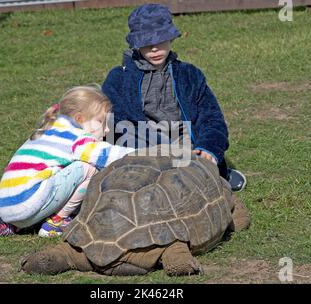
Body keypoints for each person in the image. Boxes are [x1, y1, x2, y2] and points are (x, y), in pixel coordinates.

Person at [102, 3, 246, 192]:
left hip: (181, 139)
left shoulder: (190, 75)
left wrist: (209, 147)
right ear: (135, 43)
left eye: (161, 40)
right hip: (138, 141)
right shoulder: (118, 78)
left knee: (196, 175)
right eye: (146, 42)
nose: (154, 48)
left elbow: (212, 118)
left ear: (171, 37)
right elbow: (114, 122)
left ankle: (215, 172)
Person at [0, 85, 134, 242]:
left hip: (7, 204)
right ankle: (56, 222)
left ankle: (8, 224)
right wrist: (143, 154)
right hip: (28, 202)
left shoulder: (50, 128)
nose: (107, 130)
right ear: (80, 119)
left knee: (57, 172)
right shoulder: (75, 137)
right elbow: (106, 156)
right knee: (88, 168)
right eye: (101, 122)